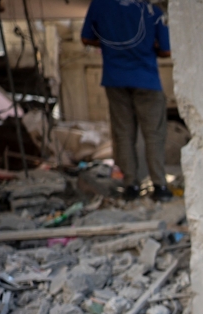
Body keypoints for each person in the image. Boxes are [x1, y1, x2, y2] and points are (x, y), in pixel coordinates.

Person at [81, 0, 173, 202]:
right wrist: (147, 47)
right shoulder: (151, 8)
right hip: (146, 79)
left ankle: (130, 185)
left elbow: (86, 38)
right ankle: (159, 185)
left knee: (123, 134)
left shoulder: (100, 5)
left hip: (115, 79)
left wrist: (109, 45)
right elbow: (167, 51)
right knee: (154, 134)